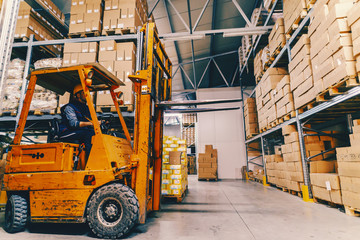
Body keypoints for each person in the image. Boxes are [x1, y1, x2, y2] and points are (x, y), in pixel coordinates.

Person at [58, 84, 95, 159]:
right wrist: (91, 123)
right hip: (67, 132)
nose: (88, 95)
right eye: (85, 92)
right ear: (78, 95)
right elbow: (73, 124)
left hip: (80, 131)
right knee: (89, 134)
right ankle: (90, 162)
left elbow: (90, 121)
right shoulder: (69, 107)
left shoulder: (86, 108)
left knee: (99, 134)